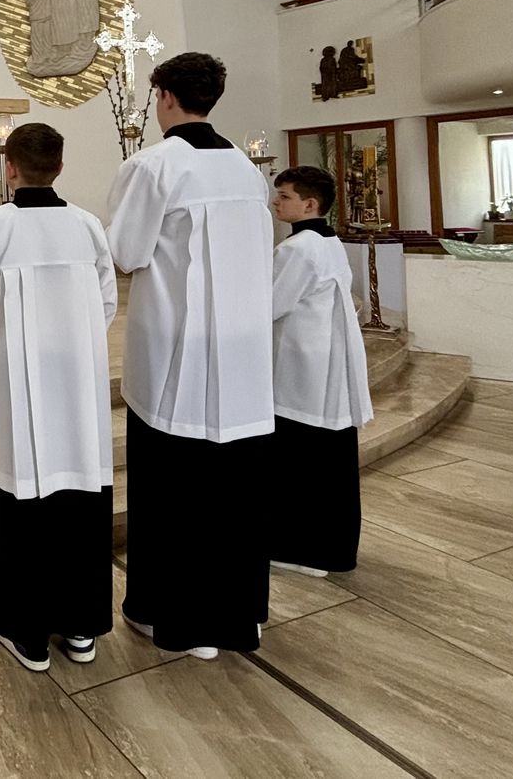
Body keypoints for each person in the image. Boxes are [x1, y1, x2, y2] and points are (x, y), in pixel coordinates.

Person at [105, 52, 274, 659]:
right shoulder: (247, 171)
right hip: (245, 357)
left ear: (166, 97)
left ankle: (176, 619)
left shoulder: (154, 166)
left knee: (175, 490)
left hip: (178, 355)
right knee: (236, 492)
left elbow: (125, 252)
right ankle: (236, 617)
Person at [0, 122, 118, 672]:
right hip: (78, 386)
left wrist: (3, 340)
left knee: (20, 496)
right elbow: (106, 303)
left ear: (8, 168)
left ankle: (28, 635)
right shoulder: (87, 226)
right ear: (59, 167)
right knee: (79, 495)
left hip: (15, 385)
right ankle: (81, 628)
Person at [268, 166, 372, 577]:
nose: (276, 202)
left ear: (310, 204)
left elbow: (270, 303)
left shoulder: (299, 249)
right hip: (324, 363)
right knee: (329, 464)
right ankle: (331, 550)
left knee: (301, 463)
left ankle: (302, 552)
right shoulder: (327, 242)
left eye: (285, 196)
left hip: (304, 369)